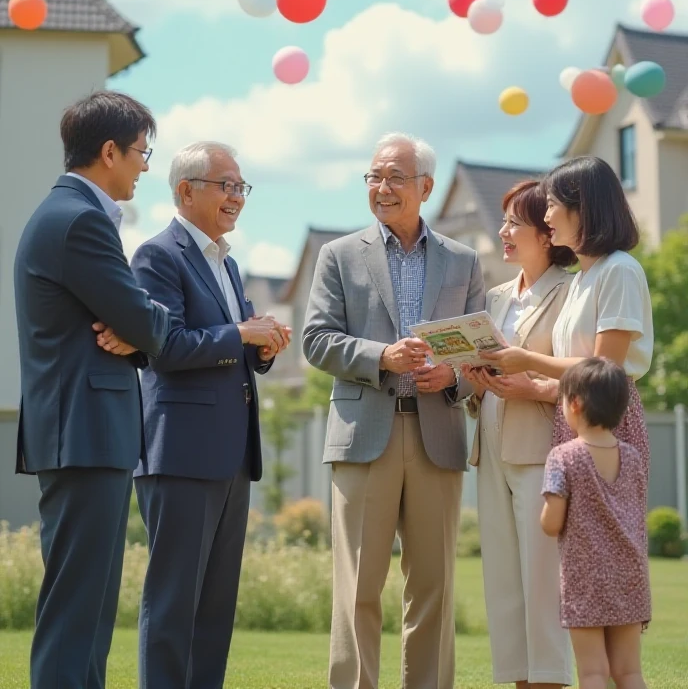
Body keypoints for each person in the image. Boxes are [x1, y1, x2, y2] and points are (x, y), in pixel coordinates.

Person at [303, 132, 485, 689]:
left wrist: (451, 376)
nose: (382, 188)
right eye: (374, 177)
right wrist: (381, 355)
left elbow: (482, 352)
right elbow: (315, 340)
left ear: (426, 187)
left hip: (438, 433)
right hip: (364, 436)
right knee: (358, 586)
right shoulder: (337, 255)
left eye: (395, 178)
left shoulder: (464, 260)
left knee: (433, 585)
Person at [14, 91, 170, 689]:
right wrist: (142, 326)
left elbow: (136, 322)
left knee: (88, 609)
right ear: (109, 152)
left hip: (82, 433)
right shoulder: (80, 220)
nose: (145, 165)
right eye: (140, 152)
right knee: (78, 611)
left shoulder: (67, 214)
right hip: (83, 434)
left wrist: (137, 326)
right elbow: (148, 322)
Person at [129, 142, 291, 689]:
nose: (236, 197)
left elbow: (228, 347)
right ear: (185, 191)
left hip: (231, 454)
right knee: (173, 601)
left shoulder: (228, 262)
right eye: (226, 185)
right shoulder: (157, 256)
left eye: (241, 187)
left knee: (216, 607)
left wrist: (261, 348)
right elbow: (165, 347)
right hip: (179, 453)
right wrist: (240, 334)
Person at [460, 180, 575, 689]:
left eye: (513, 224)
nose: (502, 232)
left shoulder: (572, 291)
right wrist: (476, 383)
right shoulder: (496, 297)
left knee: (542, 585)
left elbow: (585, 376)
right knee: (503, 586)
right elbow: (491, 378)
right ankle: (519, 681)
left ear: (546, 235)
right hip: (491, 452)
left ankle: (549, 679)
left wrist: (534, 388)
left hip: (541, 454)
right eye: (503, 222)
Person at [480, 156, 653, 480]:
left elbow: (605, 368)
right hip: (572, 419)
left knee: (604, 531)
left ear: (581, 208)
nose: (546, 217)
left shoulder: (620, 270)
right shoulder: (583, 277)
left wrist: (526, 360)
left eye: (551, 206)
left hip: (606, 422)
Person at [541, 357, 651, 689]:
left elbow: (552, 523)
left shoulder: (563, 457)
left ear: (573, 404)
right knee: (629, 672)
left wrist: (544, 514)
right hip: (630, 575)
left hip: (585, 579)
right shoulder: (632, 457)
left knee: (592, 672)